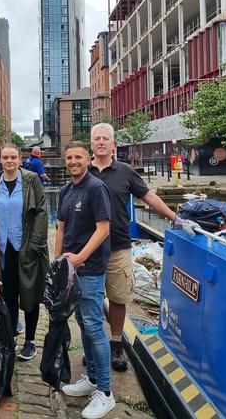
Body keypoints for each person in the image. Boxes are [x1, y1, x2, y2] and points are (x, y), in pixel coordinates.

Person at [89, 122, 177, 371]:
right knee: (91, 300)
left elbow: (148, 196)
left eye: (106, 138)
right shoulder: (85, 172)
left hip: (118, 246)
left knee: (119, 298)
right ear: (92, 144)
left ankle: (116, 344)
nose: (102, 142)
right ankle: (94, 345)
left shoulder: (125, 172)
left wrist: (174, 217)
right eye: (98, 139)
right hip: (90, 248)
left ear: (113, 145)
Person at [56, 141, 115, 419]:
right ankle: (92, 377)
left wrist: (79, 258)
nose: (73, 161)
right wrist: (58, 262)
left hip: (89, 267)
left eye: (78, 157)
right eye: (69, 157)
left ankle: (105, 392)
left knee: (93, 325)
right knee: (82, 322)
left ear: (87, 159)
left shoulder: (95, 188)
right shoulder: (67, 190)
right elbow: (61, 228)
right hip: (71, 269)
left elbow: (103, 229)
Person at [0, 142, 49, 362]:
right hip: (4, 249)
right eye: (6, 157)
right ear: (0, 159)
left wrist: (35, 245)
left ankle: (30, 340)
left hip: (27, 248)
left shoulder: (31, 180)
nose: (10, 161)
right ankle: (9, 337)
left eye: (13, 157)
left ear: (20, 158)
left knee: (30, 296)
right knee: (9, 295)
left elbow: (41, 211)